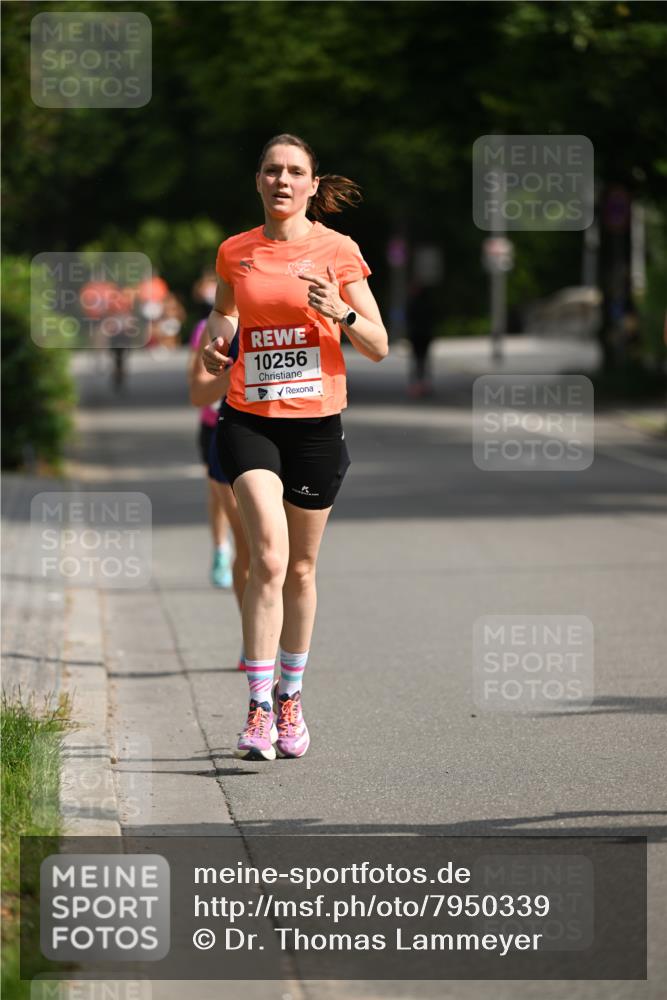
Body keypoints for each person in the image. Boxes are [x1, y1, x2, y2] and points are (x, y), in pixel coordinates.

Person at [202, 133, 388, 761]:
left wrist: (341, 311)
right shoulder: (236, 252)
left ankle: (290, 697)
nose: (282, 180)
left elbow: (379, 344)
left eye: (295, 172)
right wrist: (215, 342)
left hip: (316, 425)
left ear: (312, 185)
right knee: (270, 560)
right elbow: (226, 316)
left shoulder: (339, 251)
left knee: (302, 570)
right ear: (258, 181)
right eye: (272, 171)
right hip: (249, 418)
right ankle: (257, 710)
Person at [189, 324, 249, 668]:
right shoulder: (215, 328)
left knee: (280, 557)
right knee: (252, 550)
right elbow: (198, 394)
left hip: (292, 435)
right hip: (229, 430)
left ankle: (272, 634)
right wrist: (241, 370)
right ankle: (254, 635)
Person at [188, 271, 234, 588]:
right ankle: (222, 548)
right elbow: (196, 389)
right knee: (221, 495)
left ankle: (247, 552)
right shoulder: (207, 329)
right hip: (214, 424)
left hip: (257, 423)